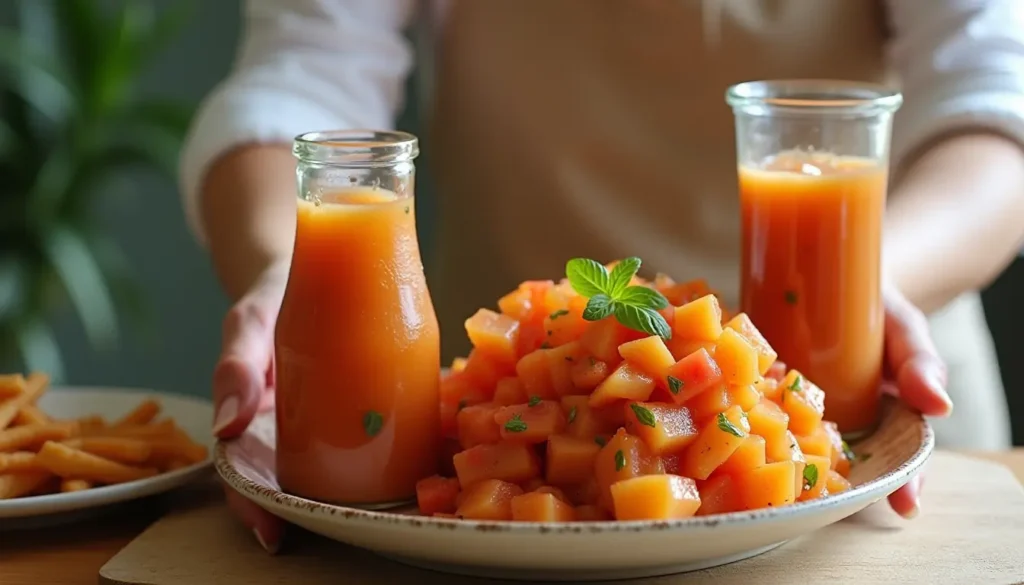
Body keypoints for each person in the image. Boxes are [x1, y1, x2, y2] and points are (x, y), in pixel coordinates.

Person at [179, 0, 1024, 553]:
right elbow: (301, 79)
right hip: (484, 447)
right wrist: (280, 275)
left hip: (856, 407)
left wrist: (863, 290)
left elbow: (997, 92)